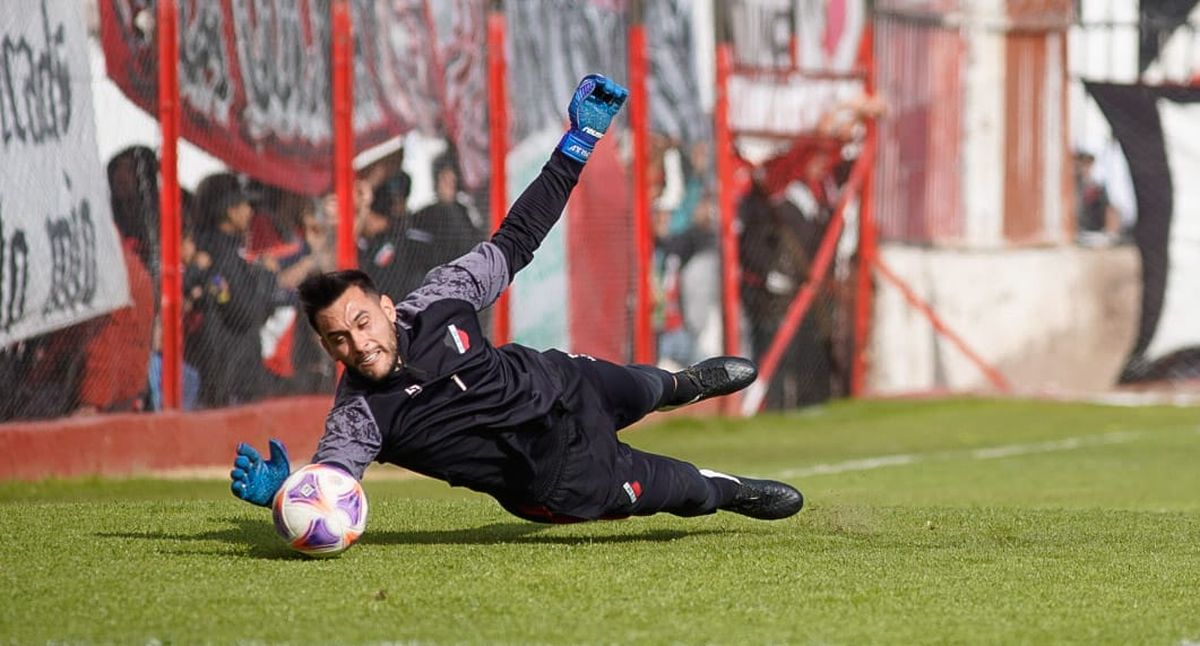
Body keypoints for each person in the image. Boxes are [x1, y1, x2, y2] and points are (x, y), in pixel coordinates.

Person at [230, 75, 804, 525]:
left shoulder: (441, 297)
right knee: (682, 488)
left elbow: (518, 236)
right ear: (328, 346)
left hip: (563, 382)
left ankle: (687, 385)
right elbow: (331, 484)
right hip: (560, 478)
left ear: (385, 306)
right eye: (338, 338)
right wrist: (287, 493)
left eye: (360, 321)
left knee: (652, 386)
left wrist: (579, 142)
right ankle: (734, 492)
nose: (357, 343)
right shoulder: (360, 414)